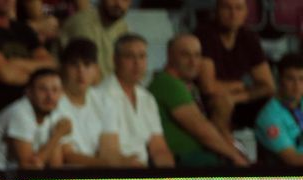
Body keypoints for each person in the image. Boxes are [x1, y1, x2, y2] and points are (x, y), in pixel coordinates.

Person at [148, 33, 250, 167]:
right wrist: (235, 157)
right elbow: (201, 130)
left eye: (197, 55)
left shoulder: (186, 85)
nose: (193, 62)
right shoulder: (168, 83)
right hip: (187, 163)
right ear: (170, 56)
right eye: (185, 55)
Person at [195, 0, 274, 135]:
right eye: (227, 8)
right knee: (222, 102)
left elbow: (268, 86)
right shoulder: (205, 35)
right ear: (217, 11)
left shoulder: (249, 37)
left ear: (245, 13)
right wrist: (240, 85)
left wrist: (236, 97)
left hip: (236, 98)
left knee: (274, 104)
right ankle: (224, 153)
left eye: (238, 8)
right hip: (204, 101)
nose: (233, 14)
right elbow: (208, 87)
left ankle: (275, 151)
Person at [0, 67, 72, 169]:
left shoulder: (53, 113)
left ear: (62, 93)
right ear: (29, 92)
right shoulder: (20, 112)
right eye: (42, 89)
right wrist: (57, 135)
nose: (50, 96)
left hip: (3, 174)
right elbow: (29, 167)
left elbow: (55, 166)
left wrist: (56, 137)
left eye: (55, 90)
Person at [98, 33, 173, 167]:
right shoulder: (102, 95)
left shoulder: (147, 98)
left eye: (142, 56)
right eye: (129, 56)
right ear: (115, 60)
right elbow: (109, 153)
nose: (137, 63)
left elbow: (159, 148)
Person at [58, 37, 133, 167]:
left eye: (87, 65)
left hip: (99, 174)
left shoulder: (104, 101)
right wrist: (109, 166)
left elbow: (109, 150)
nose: (81, 71)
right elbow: (67, 156)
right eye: (74, 64)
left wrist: (126, 164)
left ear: (96, 70)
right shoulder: (52, 101)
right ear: (62, 69)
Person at [254, 54, 303, 166]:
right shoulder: (269, 117)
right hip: (289, 178)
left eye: (301, 79)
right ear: (279, 80)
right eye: (290, 79)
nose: (297, 86)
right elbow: (292, 159)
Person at [59, 0, 127, 79]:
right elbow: (86, 75)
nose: (119, 4)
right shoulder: (82, 23)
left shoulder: (122, 27)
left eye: (125, 0)